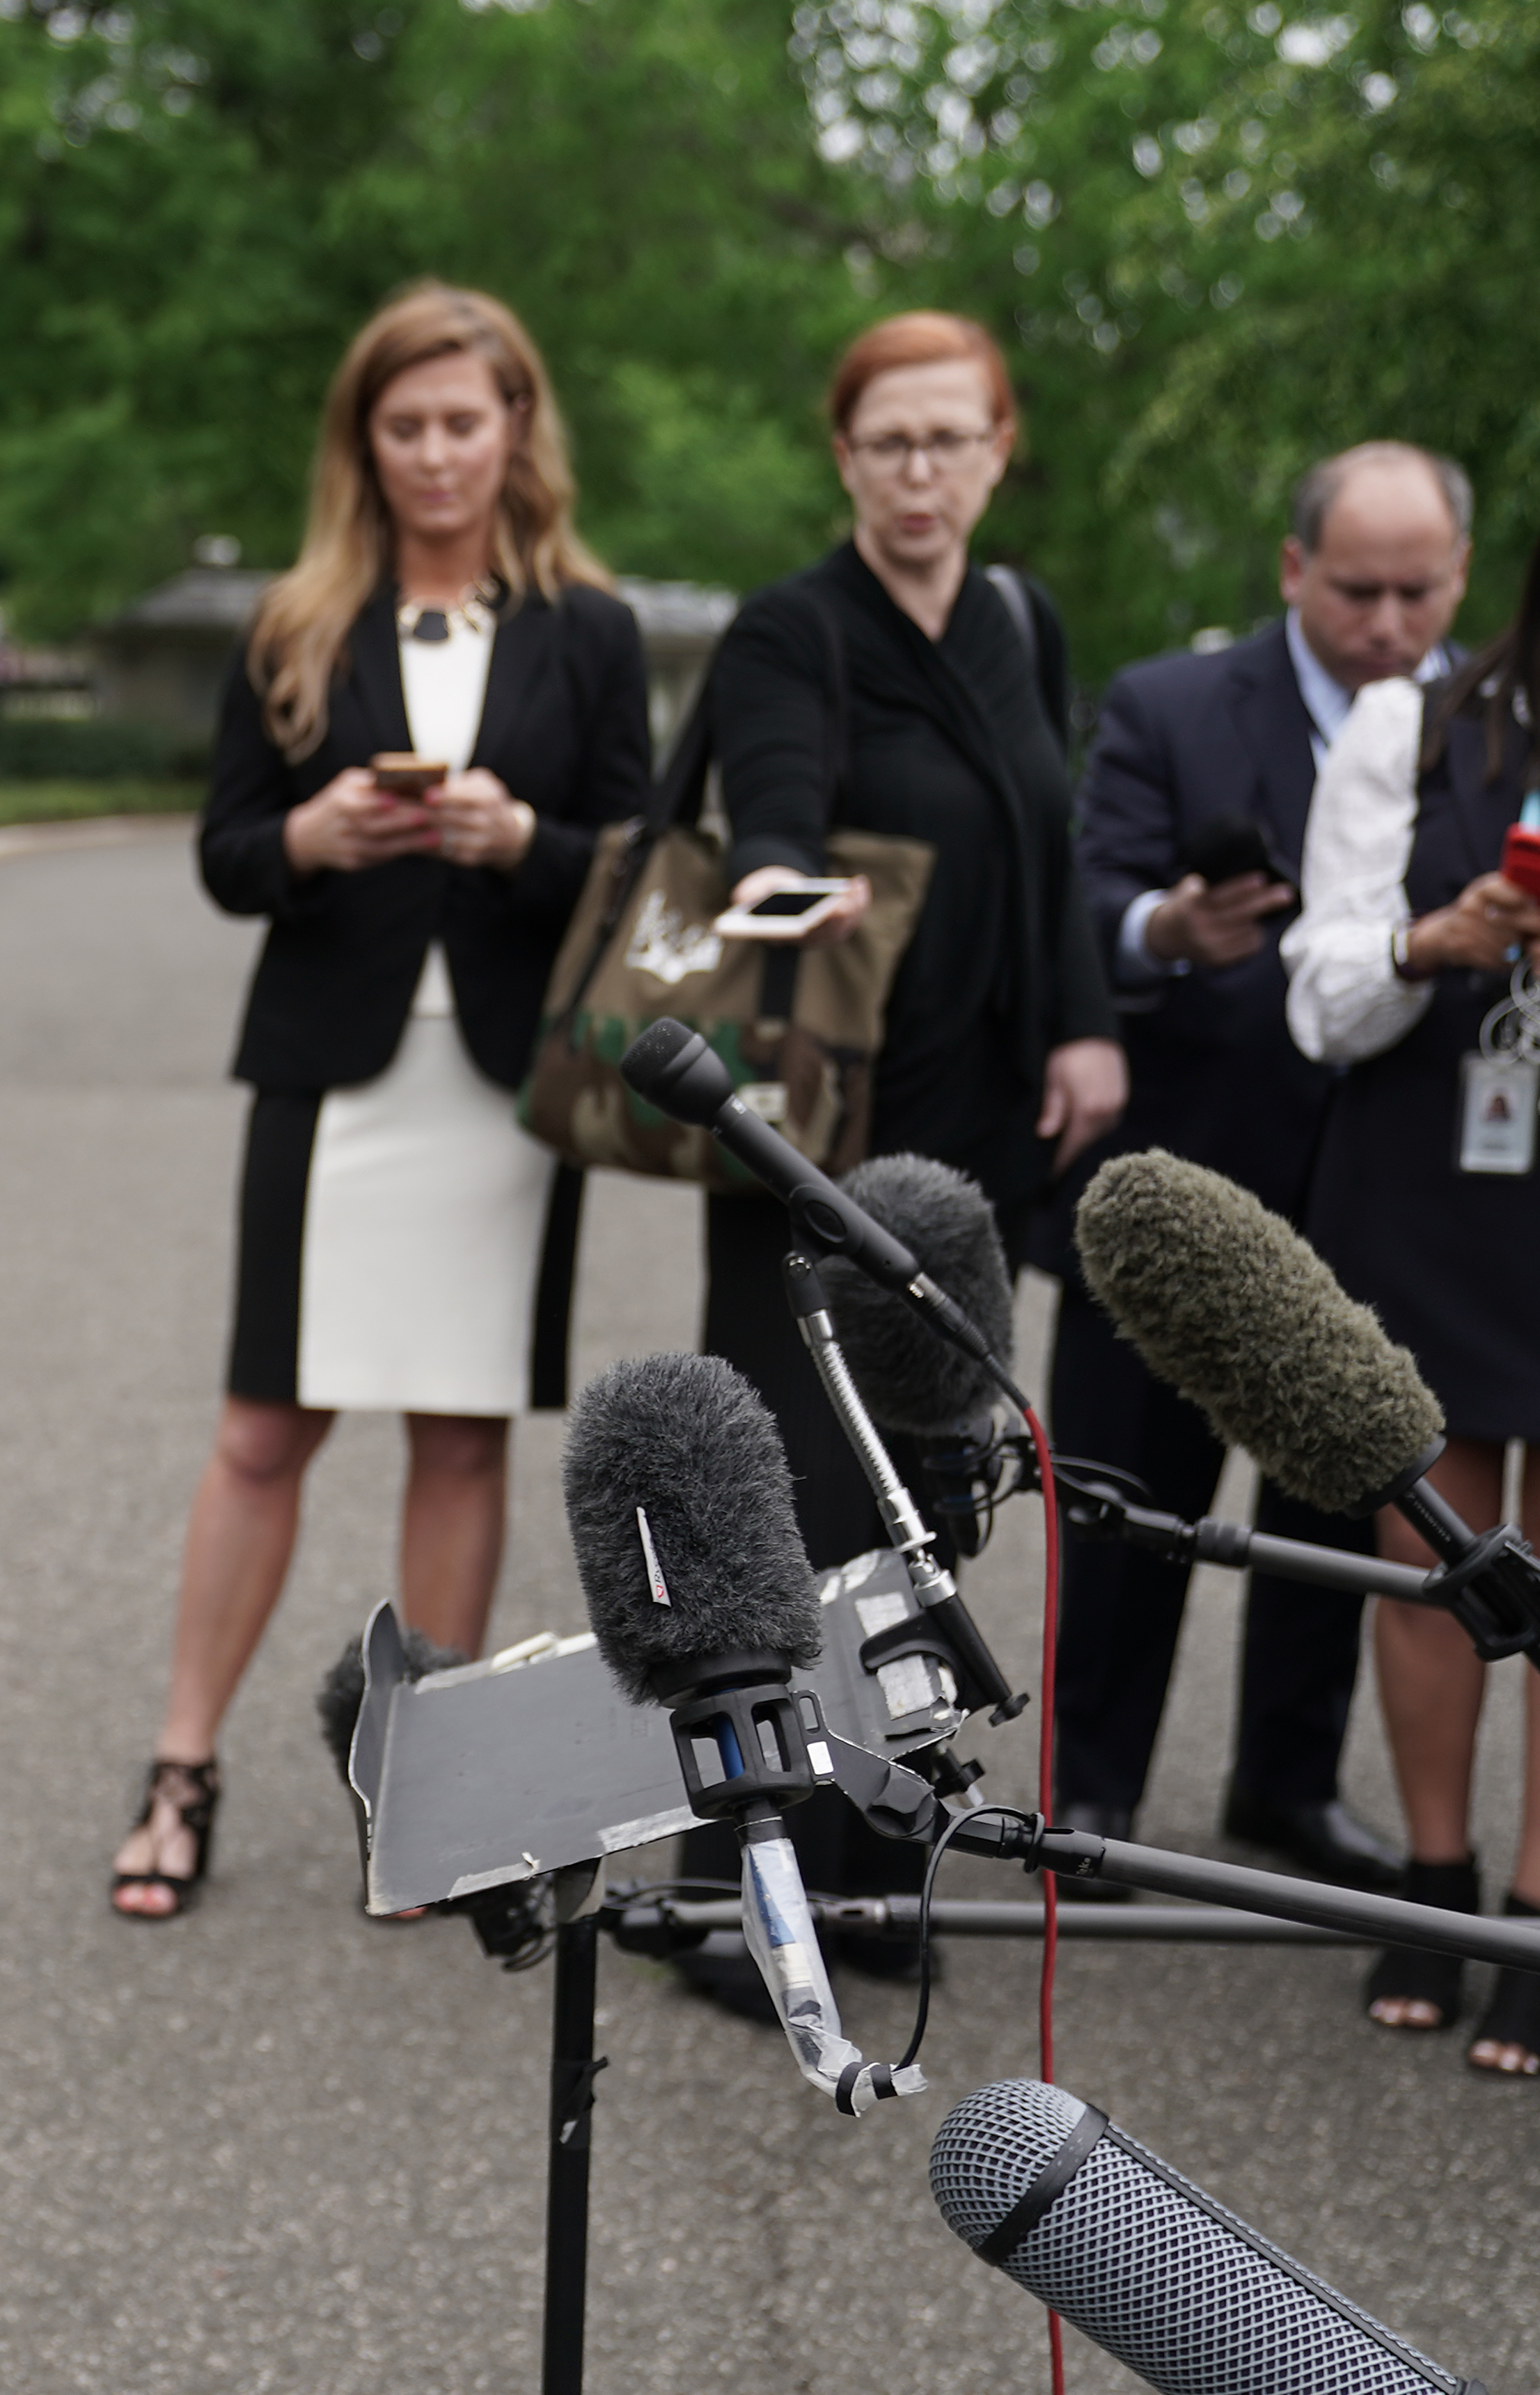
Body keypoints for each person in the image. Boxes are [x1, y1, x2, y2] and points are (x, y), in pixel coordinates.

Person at [110, 281, 651, 1919]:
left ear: (511, 435)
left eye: (459, 424)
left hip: (500, 1086)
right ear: (365, 442)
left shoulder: (593, 629)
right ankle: (179, 1762)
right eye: (401, 426)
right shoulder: (293, 623)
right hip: (327, 1075)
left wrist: (517, 846)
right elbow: (221, 856)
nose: (431, 453)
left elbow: (632, 866)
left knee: (458, 1434)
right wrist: (310, 839)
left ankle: (434, 1796)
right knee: (262, 1429)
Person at [668, 312, 1122, 2001]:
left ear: (999, 448)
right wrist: (783, 876)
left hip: (975, 1135)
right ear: (840, 455)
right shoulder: (791, 629)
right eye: (886, 443)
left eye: (949, 440)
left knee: (913, 1511)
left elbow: (1048, 833)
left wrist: (1082, 1025)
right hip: (813, 1136)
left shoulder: (1017, 620)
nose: (918, 472)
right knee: (778, 1510)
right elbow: (768, 797)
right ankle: (741, 1896)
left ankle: (866, 1867)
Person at [1035, 443, 1472, 1890]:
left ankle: (1283, 1785)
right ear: (1292, 571)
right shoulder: (1168, 702)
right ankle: (1084, 1791)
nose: (1388, 624)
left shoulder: (1489, 724)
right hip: (1178, 1172)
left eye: (1418, 591)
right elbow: (1087, 901)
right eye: (1356, 590)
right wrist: (1169, 927)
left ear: (1458, 579)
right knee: (1123, 1504)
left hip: (1385, 1192)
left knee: (1332, 1505)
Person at [1284, 528, 1540, 2073]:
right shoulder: (1416, 725)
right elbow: (1318, 993)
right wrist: (1433, 937)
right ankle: (1433, 1884)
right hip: (1435, 1174)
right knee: (1438, 1554)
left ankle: (1533, 1912)